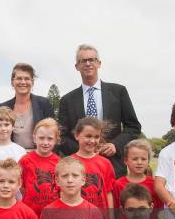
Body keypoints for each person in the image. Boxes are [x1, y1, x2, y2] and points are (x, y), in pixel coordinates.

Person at [58, 44, 141, 177]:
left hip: (113, 165)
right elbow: (61, 136)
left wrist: (115, 145)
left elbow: (133, 127)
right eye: (83, 61)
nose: (88, 63)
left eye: (92, 59)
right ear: (77, 67)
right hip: (79, 169)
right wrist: (82, 150)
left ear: (99, 63)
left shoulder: (118, 92)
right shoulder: (67, 100)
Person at [0, 63, 54, 150]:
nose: (23, 82)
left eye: (27, 79)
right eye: (19, 78)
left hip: (38, 156)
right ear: (12, 82)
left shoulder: (44, 104)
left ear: (32, 82)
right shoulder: (4, 107)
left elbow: (53, 133)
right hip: (12, 157)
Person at [113, 139, 163, 219]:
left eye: (143, 159)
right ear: (125, 161)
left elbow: (160, 211)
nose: (139, 162)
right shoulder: (118, 184)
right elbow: (116, 211)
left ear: (148, 161)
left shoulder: (155, 184)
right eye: (135, 159)